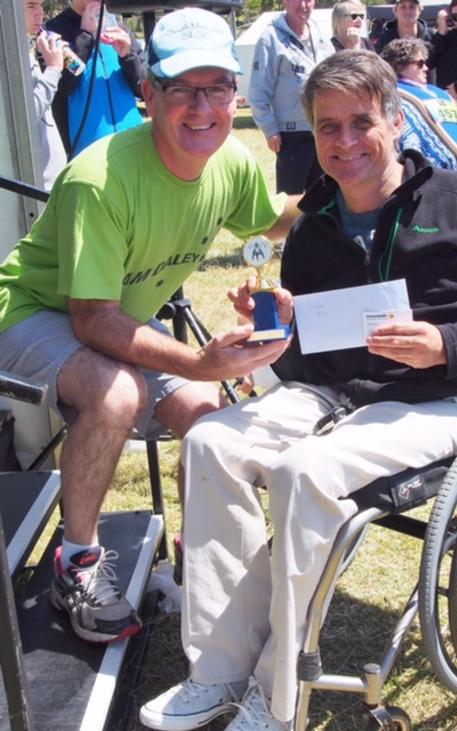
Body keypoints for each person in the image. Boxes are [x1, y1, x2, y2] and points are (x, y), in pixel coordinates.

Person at [139, 49, 457, 731]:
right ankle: (216, 670)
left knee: (305, 472)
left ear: (393, 118)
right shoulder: (317, 218)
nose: (345, 142)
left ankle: (278, 698)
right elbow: (308, 349)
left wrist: (447, 344)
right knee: (210, 440)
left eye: (362, 122)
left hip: (439, 400)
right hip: (332, 393)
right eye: (328, 128)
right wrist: (274, 330)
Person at [0, 8, 299, 645]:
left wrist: (355, 181)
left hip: (113, 320)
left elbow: (271, 221)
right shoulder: (99, 178)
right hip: (29, 314)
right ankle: (76, 564)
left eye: (217, 86)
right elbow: (91, 320)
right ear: (149, 95)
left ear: (235, 95)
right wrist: (197, 359)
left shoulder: (231, 163)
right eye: (181, 88)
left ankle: (202, 564)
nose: (202, 106)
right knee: (118, 393)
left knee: (208, 412)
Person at [380, 38, 457, 190]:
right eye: (420, 63)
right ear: (399, 66)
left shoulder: (438, 92)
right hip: (441, 179)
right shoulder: (394, 97)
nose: (426, 68)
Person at [248, 0, 333, 194]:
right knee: (291, 202)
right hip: (291, 137)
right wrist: (270, 129)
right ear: (285, 2)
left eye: (309, 0)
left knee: (323, 198)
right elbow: (258, 90)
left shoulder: (320, 35)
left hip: (322, 130)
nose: (303, 5)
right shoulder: (270, 38)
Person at [45, 0, 144, 157]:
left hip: (132, 146)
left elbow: (143, 89)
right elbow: (62, 87)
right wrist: (84, 36)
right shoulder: (54, 32)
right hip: (86, 155)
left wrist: (128, 56)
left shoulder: (118, 27)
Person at [23, 0, 67, 190]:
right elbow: (25, 114)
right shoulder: (8, 55)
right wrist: (53, 69)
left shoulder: (25, 47)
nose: (40, 13)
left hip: (50, 179)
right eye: (31, 6)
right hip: (35, 187)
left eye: (41, 5)